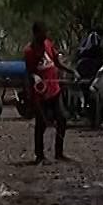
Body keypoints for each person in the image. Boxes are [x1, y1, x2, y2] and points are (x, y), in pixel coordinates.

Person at [23, 20, 75, 164]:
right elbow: (30, 72)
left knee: (62, 119)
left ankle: (59, 153)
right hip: (41, 93)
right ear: (36, 34)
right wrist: (34, 84)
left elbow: (57, 62)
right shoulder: (29, 51)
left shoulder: (48, 43)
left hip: (54, 90)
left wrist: (70, 70)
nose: (44, 35)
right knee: (42, 124)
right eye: (42, 33)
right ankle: (39, 155)